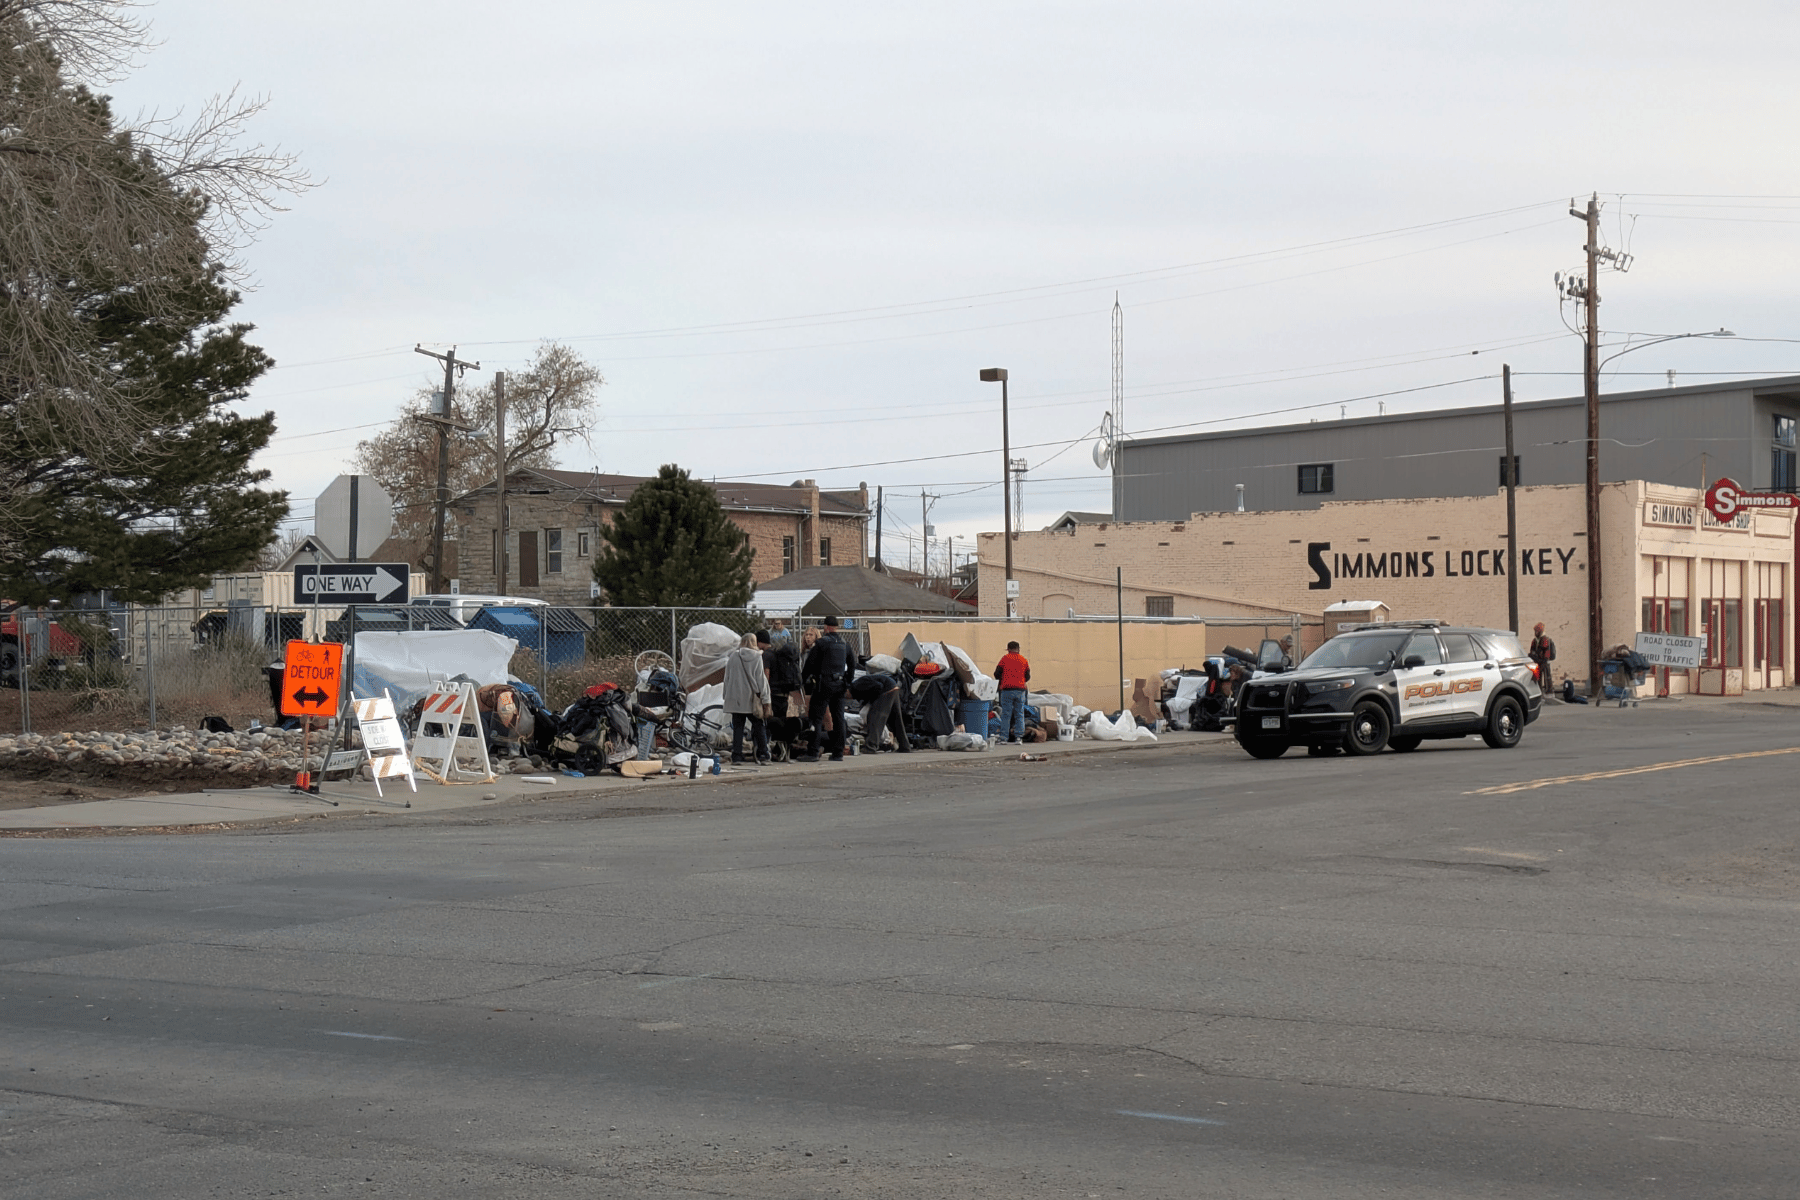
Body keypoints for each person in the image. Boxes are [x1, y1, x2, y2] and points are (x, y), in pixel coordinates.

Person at [799, 616, 851, 762]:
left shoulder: (821, 644)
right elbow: (852, 664)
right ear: (837, 627)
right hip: (839, 685)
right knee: (838, 718)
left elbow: (809, 665)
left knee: (816, 718)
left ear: (826, 627)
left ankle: (813, 752)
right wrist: (847, 682)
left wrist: (801, 682)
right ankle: (838, 752)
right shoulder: (844, 644)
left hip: (823, 685)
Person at [723, 632, 772, 765]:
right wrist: (766, 699)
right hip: (751, 699)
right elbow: (761, 680)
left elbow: (727, 678)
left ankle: (737, 755)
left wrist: (725, 695)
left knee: (738, 727)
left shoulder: (733, 656)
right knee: (759, 726)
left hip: (735, 698)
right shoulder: (757, 657)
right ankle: (763, 754)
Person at [850, 669, 910, 753]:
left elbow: (878, 686)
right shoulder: (856, 687)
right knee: (896, 720)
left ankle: (870, 747)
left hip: (886, 688)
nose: (847, 698)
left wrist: (874, 703)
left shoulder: (856, 686)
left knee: (876, 718)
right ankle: (905, 746)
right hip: (893, 687)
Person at [993, 640, 1031, 745]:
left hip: (1007, 691)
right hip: (1020, 690)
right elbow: (1027, 676)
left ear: (1008, 649)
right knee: (1019, 714)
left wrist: (1003, 680)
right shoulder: (1024, 660)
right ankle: (1019, 738)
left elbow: (996, 673)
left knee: (1006, 714)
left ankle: (1004, 738)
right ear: (1018, 649)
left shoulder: (1004, 659)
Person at [1528, 622, 1556, 686]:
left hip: (1544, 662)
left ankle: (1548, 692)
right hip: (1538, 662)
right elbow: (1532, 650)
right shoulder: (1535, 640)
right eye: (1535, 631)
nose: (1535, 633)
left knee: (1547, 678)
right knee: (1538, 678)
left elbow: (1546, 651)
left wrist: (1543, 660)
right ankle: (1539, 691)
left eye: (1537, 631)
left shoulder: (1545, 640)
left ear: (1540, 631)